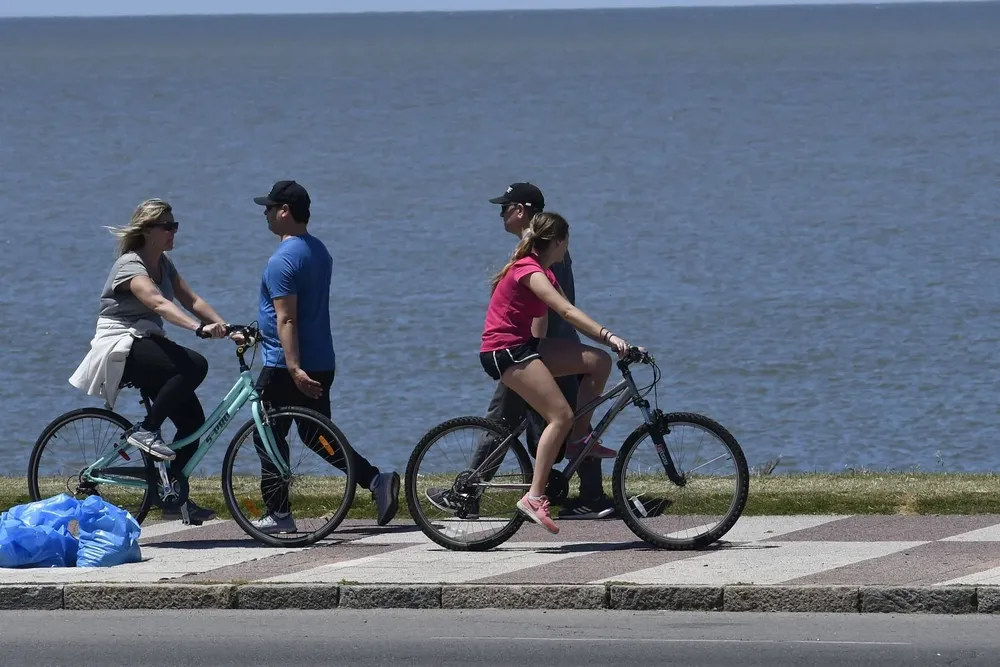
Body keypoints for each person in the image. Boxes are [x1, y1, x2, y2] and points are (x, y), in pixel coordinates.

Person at [426, 183, 617, 520]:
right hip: (540, 350)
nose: (501, 214)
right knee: (569, 417)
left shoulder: (541, 253)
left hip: (538, 351)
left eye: (505, 207)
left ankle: (468, 496)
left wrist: (535, 352)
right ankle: (588, 495)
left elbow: (552, 311)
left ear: (521, 210)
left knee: (505, 423)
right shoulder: (533, 253)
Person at [247, 180, 400, 534]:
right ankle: (376, 480)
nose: (266, 214)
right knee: (316, 435)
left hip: (285, 365)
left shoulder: (281, 260)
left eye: (269, 208)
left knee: (265, 435)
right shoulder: (318, 251)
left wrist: (293, 367)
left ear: (284, 211)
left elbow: (287, 317)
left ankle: (278, 513)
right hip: (322, 360)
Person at [70, 198, 230, 524]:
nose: (173, 231)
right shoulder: (130, 265)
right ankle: (147, 430)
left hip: (147, 341)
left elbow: (191, 299)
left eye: (175, 226)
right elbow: (157, 303)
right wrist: (199, 329)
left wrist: (228, 328)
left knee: (192, 425)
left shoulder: (164, 263)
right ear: (147, 231)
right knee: (195, 365)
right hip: (120, 344)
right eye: (167, 226)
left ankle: (168, 492)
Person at [478, 211, 632, 534]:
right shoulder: (530, 271)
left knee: (599, 362)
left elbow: (560, 316)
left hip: (527, 344)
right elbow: (566, 310)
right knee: (559, 415)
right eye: (567, 242)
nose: (568, 249)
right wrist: (611, 336)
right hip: (505, 351)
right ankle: (534, 496)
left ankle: (578, 439)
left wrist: (603, 346)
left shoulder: (545, 273)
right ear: (558, 241)